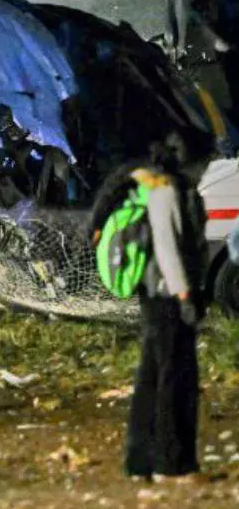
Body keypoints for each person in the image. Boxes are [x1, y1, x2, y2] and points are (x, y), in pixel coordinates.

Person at [92, 135, 206, 481]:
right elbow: (168, 248)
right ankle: (172, 464)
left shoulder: (151, 188)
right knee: (176, 379)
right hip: (167, 296)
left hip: (155, 294)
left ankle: (139, 461)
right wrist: (185, 295)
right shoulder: (165, 191)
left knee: (151, 376)